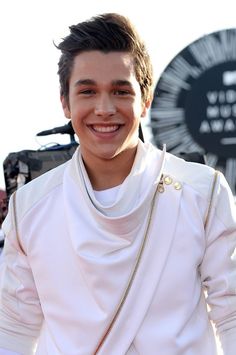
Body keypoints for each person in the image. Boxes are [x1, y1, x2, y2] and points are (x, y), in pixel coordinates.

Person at [0, 13, 235, 355]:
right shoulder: (31, 207)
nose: (105, 108)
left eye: (121, 91)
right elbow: (15, 326)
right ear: (65, 102)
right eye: (88, 91)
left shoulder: (203, 192)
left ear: (146, 99)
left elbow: (230, 312)